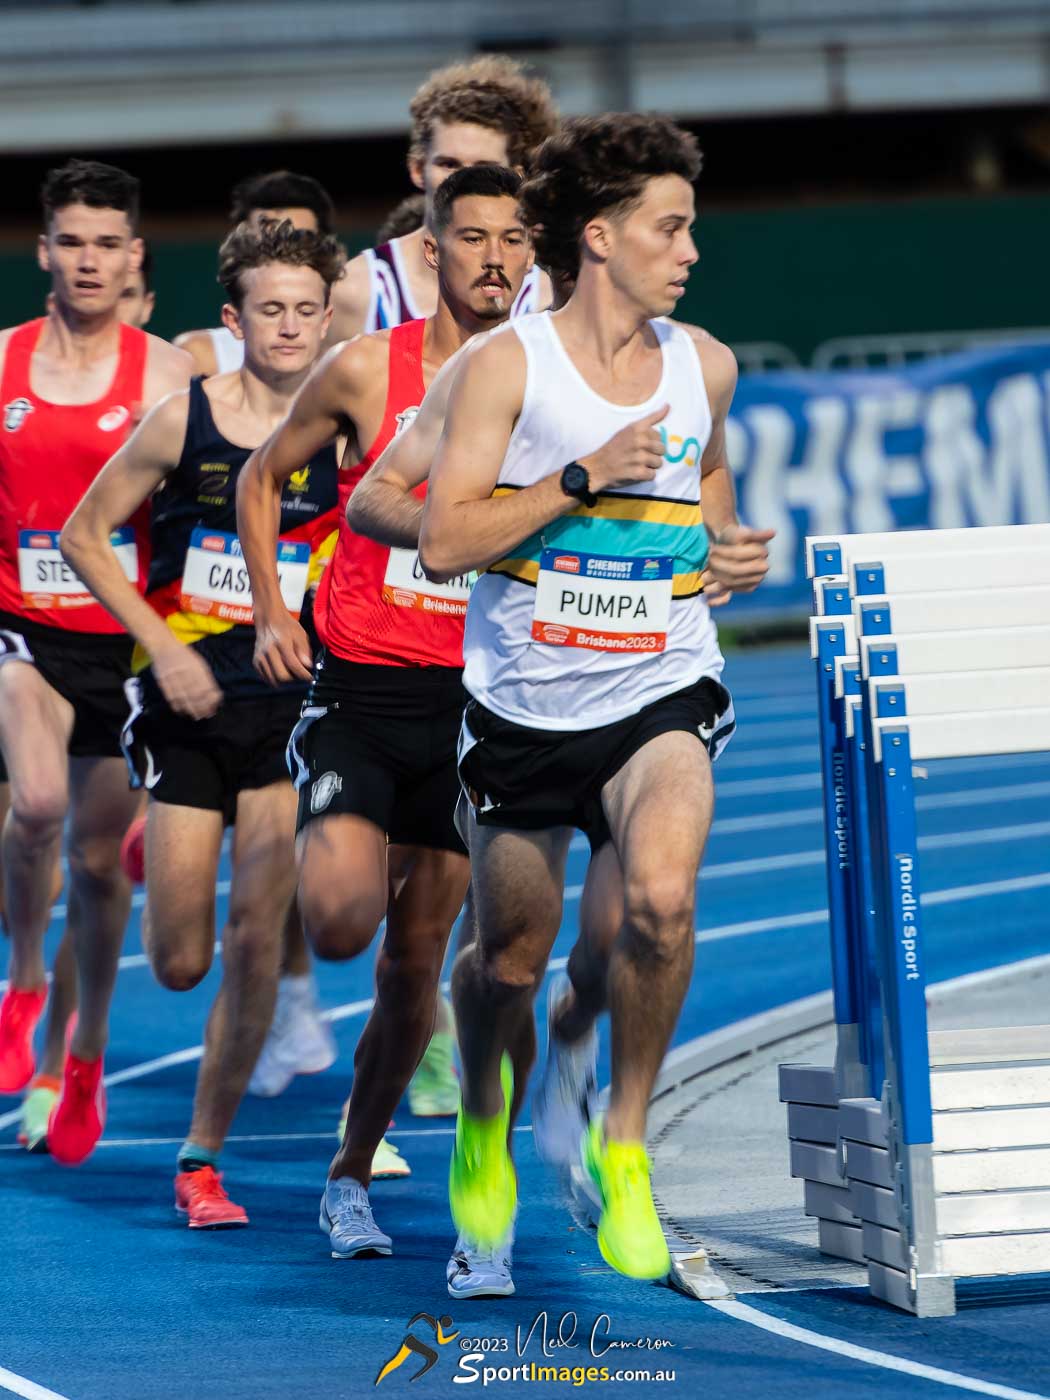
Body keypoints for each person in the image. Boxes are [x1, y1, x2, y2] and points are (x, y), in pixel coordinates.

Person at [417, 114, 774, 1281]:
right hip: (524, 707)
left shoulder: (702, 361)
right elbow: (440, 541)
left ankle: (623, 1143)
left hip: (661, 684)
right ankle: (483, 1116)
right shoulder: (505, 369)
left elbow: (709, 468)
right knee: (509, 963)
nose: (692, 250)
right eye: (671, 228)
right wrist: (580, 479)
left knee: (658, 907)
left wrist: (720, 545)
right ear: (602, 236)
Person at [236, 164, 533, 1269]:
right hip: (361, 687)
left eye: (512, 239)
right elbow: (265, 476)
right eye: (471, 239)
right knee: (345, 919)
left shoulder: (544, 375)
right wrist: (273, 605)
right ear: (432, 253)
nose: (493, 259)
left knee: (418, 963)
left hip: (479, 700)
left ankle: (350, 1175)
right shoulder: (368, 368)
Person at [61, 221, 345, 1225]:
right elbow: (84, 534)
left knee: (256, 933)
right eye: (269, 309)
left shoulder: (345, 429)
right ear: (234, 321)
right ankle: (156, 839)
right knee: (180, 958)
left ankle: (200, 1159)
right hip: (187, 703)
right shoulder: (182, 421)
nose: (290, 328)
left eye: (307, 310)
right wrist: (165, 646)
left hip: (290, 715)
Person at [0, 159, 192, 1165]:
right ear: (44, 252)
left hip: (121, 644)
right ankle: (25, 977)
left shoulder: (166, 377)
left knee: (96, 864)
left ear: (134, 258)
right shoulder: (2, 363)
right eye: (71, 241)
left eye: (107, 243)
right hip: (23, 627)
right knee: (33, 806)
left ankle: (87, 1053)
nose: (88, 259)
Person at [325, 56, 557, 342]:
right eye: (448, 164)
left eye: (483, 167)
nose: (464, 180)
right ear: (418, 168)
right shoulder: (357, 290)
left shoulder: (543, 301)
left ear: (518, 176)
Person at [175, 172, 336, 378]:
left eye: (300, 241)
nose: (283, 254)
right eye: (266, 241)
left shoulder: (355, 361)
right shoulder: (199, 357)